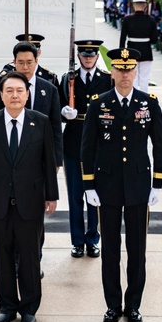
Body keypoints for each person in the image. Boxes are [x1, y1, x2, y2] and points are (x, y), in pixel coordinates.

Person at [81, 47, 162, 322]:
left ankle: (133, 305)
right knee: (110, 250)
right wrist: (89, 185)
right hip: (107, 186)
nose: (125, 74)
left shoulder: (149, 103)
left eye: (130, 70)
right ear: (112, 72)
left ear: (136, 72)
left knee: (137, 250)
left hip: (139, 186)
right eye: (120, 69)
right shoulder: (98, 103)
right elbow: (87, 146)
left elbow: (160, 145)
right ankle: (112, 305)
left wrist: (157, 184)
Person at [0, 71, 59, 322]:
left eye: (20, 90)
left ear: (27, 94)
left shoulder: (40, 122)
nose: (15, 95)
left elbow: (48, 161)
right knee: (3, 256)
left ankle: (29, 308)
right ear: (1, 95)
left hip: (30, 201)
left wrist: (51, 195)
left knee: (30, 257)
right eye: (9, 90)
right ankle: (7, 307)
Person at [59, 39, 111, 258]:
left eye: (91, 55)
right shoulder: (67, 79)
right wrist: (65, 112)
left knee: (96, 195)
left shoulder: (107, 80)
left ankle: (93, 238)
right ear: (78, 56)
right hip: (73, 142)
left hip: (98, 144)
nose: (88, 58)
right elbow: (58, 108)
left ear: (97, 56)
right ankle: (77, 241)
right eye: (84, 55)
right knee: (75, 196)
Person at [0, 42, 63, 167]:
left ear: (36, 61)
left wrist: (57, 160)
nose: (25, 67)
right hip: (10, 153)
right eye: (20, 62)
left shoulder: (50, 90)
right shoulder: (3, 87)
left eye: (29, 62)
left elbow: (56, 127)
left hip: (40, 155)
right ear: (14, 62)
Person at [119, 0, 157, 92]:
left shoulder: (127, 19)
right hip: (146, 51)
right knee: (144, 79)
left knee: (133, 78)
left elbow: (122, 38)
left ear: (134, 5)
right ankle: (143, 99)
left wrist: (121, 53)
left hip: (131, 51)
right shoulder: (151, 20)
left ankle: (133, 99)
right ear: (145, 5)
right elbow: (154, 40)